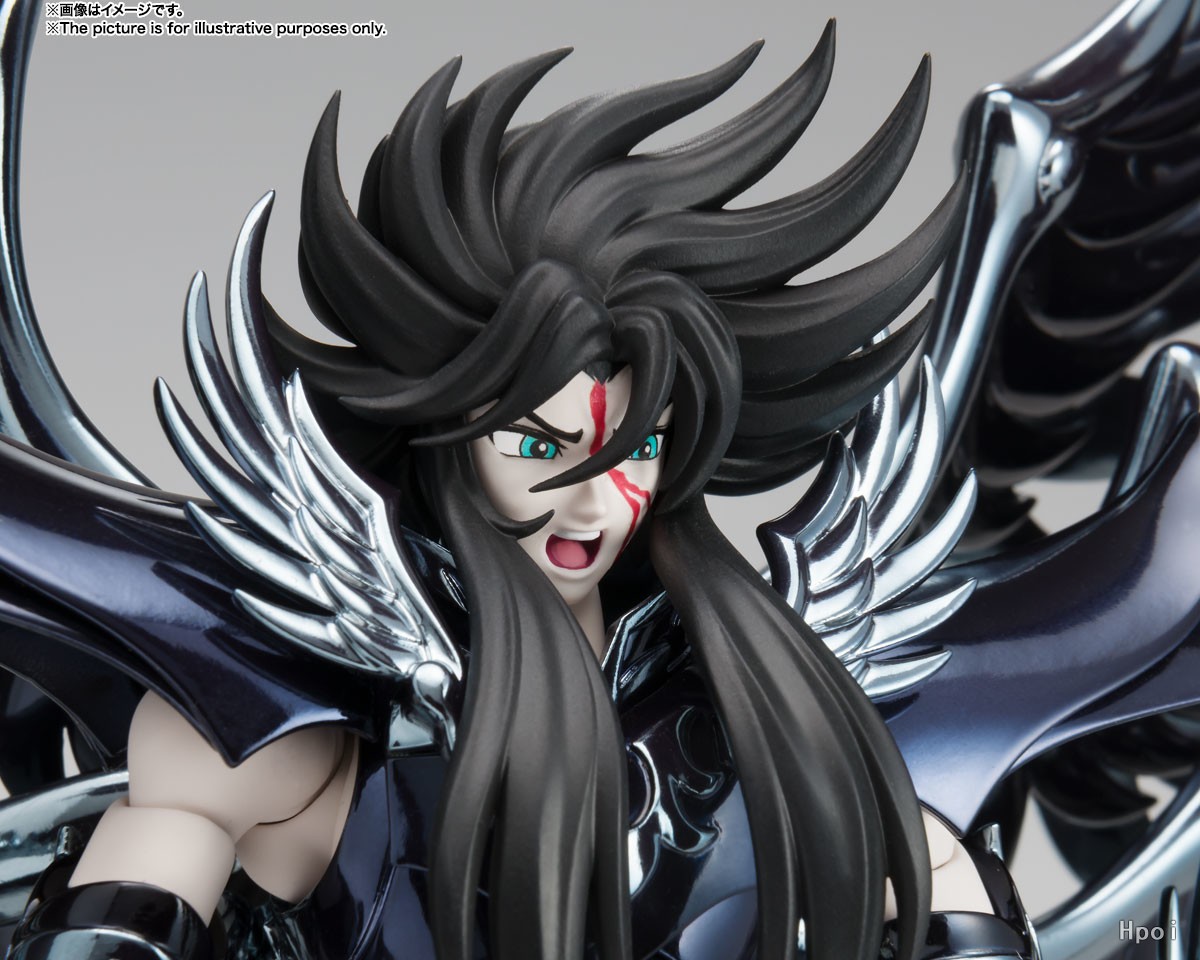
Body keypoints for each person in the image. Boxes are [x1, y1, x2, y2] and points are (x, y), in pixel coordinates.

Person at [7, 29, 1018, 960]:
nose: (594, 503)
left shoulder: (761, 706)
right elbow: (156, 848)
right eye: (539, 443)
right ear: (449, 436)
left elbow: (931, 870)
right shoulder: (318, 725)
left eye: (638, 445)